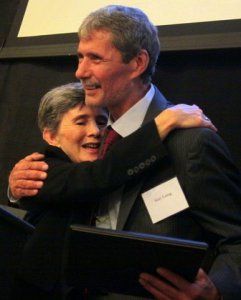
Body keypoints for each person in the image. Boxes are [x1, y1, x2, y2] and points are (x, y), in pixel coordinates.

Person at [9, 5, 241, 300]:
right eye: (80, 57)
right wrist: (16, 187)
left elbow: (236, 239)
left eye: (95, 58)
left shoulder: (191, 141)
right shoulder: (92, 138)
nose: (80, 71)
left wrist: (218, 291)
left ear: (137, 63)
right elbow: (77, 180)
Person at [10, 82, 210, 300]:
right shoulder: (41, 169)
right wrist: (162, 123)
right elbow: (101, 174)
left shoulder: (107, 173)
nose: (95, 131)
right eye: (80, 121)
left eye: (101, 121)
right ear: (51, 137)